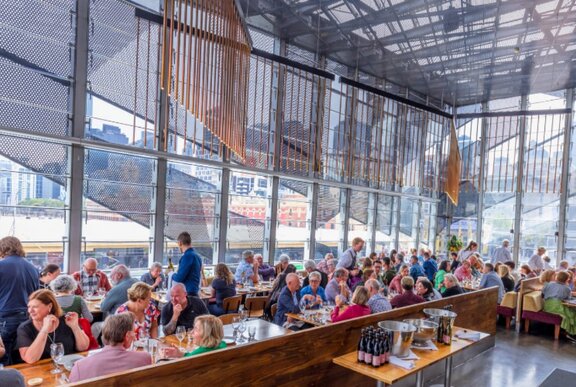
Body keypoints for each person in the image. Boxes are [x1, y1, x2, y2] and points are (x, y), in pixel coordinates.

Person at [69, 313, 152, 382]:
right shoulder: (145, 358)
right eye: (133, 332)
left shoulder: (79, 367)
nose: (134, 337)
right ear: (127, 336)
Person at [17, 290, 89, 364]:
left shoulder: (66, 320)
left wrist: (75, 327)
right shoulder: (25, 328)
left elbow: (83, 347)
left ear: (50, 306)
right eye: (29, 307)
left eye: (35, 307)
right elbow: (30, 359)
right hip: (41, 372)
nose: (30, 311)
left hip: (69, 367)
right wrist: (44, 329)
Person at [0, 236, 40, 365]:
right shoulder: (33, 268)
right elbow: (37, 296)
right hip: (28, 318)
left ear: (2, 249)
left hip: (6, 318)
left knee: (4, 356)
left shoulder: (1, 265)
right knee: (22, 356)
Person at [160, 315, 227, 358]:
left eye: (196, 329)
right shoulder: (223, 344)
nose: (191, 332)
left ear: (206, 334)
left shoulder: (197, 354)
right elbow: (188, 356)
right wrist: (180, 354)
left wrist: (162, 358)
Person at [541, 271, 576, 340]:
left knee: (570, 312)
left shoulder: (549, 284)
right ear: (567, 279)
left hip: (547, 306)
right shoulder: (567, 288)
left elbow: (543, 293)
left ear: (557, 277)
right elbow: (567, 299)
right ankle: (570, 333)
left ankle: (568, 332)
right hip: (557, 307)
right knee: (572, 313)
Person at [172, 232, 203, 296]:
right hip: (195, 291)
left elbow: (179, 278)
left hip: (188, 293)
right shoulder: (197, 256)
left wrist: (171, 274)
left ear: (180, 243)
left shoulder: (187, 256)